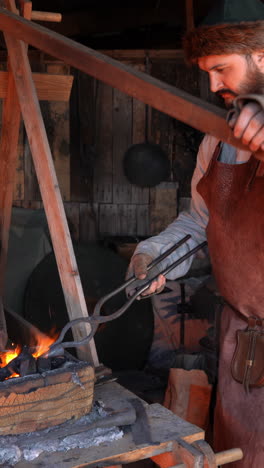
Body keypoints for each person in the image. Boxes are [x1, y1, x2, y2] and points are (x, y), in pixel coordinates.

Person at [127, 0, 264, 466]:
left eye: (221, 69)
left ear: (261, 56)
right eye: (208, 72)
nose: (213, 85)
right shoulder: (218, 140)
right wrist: (156, 254)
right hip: (241, 352)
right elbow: (199, 222)